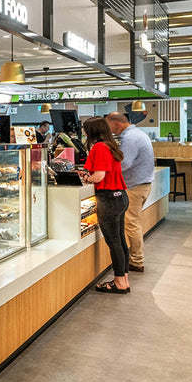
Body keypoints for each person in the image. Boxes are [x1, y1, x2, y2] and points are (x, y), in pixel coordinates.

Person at [80, 117, 130, 294]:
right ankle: (124, 279)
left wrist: (86, 178)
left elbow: (99, 176)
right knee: (120, 240)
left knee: (114, 242)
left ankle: (119, 282)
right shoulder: (110, 146)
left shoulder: (99, 147)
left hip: (108, 199)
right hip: (120, 196)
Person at [106, 111, 154, 273]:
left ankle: (136, 260)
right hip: (142, 184)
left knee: (131, 223)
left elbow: (124, 163)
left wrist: (103, 170)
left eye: (109, 126)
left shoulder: (130, 138)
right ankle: (134, 257)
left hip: (134, 186)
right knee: (133, 222)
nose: (109, 130)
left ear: (116, 124)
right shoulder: (138, 134)